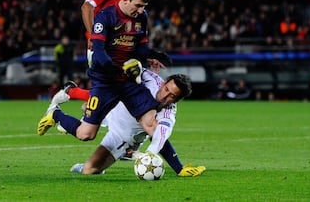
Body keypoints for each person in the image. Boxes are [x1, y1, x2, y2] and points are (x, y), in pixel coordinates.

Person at [37, 0, 171, 144]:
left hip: (129, 81)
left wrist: (154, 54)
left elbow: (140, 48)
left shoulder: (141, 17)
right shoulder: (105, 17)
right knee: (86, 134)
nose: (141, 10)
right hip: (106, 80)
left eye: (144, 6)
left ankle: (178, 168)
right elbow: (99, 52)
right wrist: (113, 69)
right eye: (138, 5)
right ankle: (56, 114)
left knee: (151, 124)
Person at [54, 70, 205, 177]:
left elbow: (160, 136)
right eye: (166, 89)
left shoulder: (168, 114)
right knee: (86, 129)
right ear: (163, 82)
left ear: (177, 100)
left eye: (172, 96)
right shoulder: (151, 80)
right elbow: (136, 66)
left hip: (121, 135)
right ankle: (59, 112)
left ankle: (104, 159)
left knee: (90, 170)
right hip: (113, 108)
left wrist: (155, 157)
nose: (165, 95)